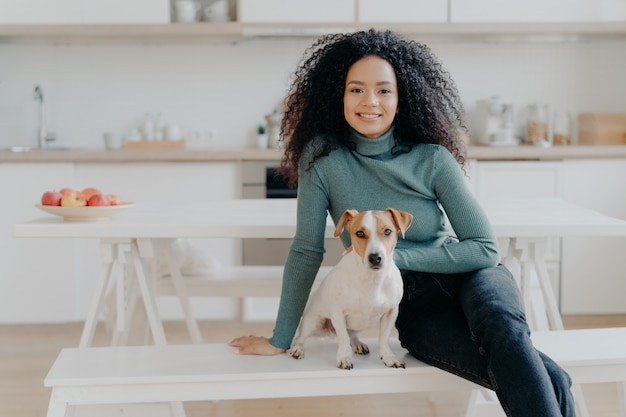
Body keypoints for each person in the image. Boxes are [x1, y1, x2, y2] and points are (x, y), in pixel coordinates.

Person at [230, 29, 575, 417]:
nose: (370, 101)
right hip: (409, 305)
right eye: (356, 89)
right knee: (554, 380)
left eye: (384, 90)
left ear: (400, 99)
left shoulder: (433, 158)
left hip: (472, 276)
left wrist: (397, 256)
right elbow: (307, 249)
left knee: (504, 330)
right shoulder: (323, 158)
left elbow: (484, 247)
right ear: (338, 96)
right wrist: (280, 337)